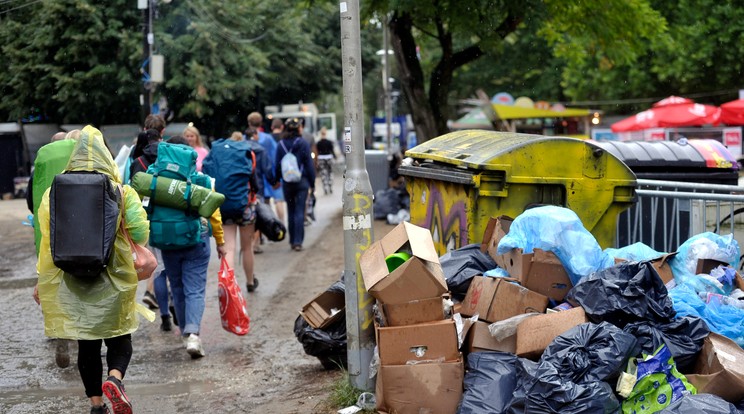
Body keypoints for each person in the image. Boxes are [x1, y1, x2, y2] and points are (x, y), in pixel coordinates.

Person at [34, 125, 149, 414]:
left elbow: (47, 239)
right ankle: (115, 378)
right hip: (114, 278)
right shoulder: (122, 191)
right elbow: (140, 233)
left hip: (73, 278)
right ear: (107, 156)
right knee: (120, 338)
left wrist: (43, 281)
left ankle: (96, 404)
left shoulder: (52, 193)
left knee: (87, 344)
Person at [159, 136, 226, 358]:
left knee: (176, 287)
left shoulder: (158, 180)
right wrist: (220, 241)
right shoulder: (201, 180)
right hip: (196, 237)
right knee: (195, 288)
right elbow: (214, 214)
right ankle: (194, 334)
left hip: (168, 240)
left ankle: (185, 334)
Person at [26, 130, 80, 369]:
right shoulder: (81, 161)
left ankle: (60, 331)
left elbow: (31, 199)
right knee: (80, 280)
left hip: (48, 232)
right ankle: (81, 328)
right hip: (79, 232)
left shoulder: (43, 164)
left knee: (53, 281)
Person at [272, 118, 315, 252]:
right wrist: (312, 183)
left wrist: (277, 180)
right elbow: (309, 165)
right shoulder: (303, 143)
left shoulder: (281, 144)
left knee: (290, 210)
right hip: (301, 181)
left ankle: (291, 240)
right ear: (298, 129)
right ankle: (298, 242)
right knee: (299, 211)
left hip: (287, 183)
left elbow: (278, 164)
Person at [247, 112, 279, 253]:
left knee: (250, 211)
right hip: (262, 182)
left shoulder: (242, 140)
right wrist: (274, 180)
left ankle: (252, 240)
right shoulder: (267, 140)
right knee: (262, 210)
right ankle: (258, 239)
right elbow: (272, 160)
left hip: (246, 184)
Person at [269, 118, 287, 224]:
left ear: (272, 127)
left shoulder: (268, 138)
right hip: (286, 170)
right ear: (282, 127)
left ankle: (280, 222)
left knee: (277, 200)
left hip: (273, 171)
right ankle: (285, 221)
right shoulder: (285, 137)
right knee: (286, 199)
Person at [315, 127, 336, 195]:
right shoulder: (329, 142)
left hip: (321, 158)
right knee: (330, 173)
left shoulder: (318, 143)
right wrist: (335, 157)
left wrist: (316, 160)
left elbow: (317, 152)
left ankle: (325, 188)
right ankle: (330, 186)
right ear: (326, 133)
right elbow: (332, 151)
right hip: (329, 158)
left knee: (323, 174)